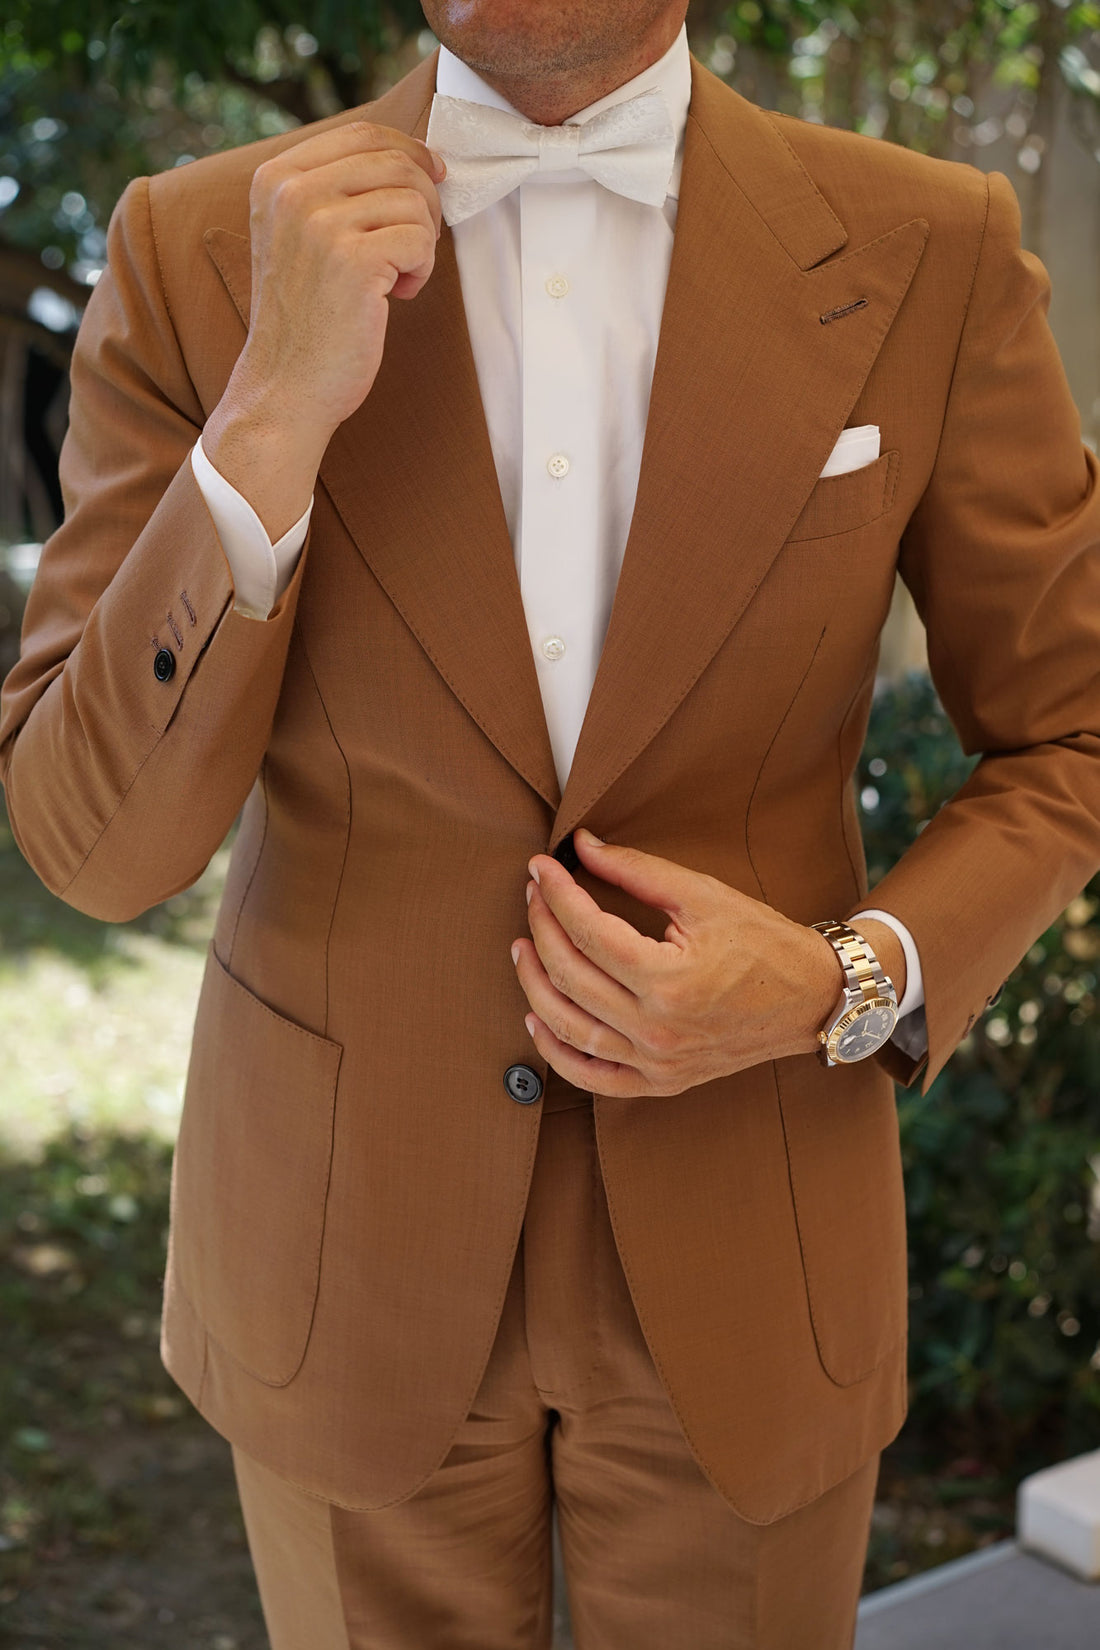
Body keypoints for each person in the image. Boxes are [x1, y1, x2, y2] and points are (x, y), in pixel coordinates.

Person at [2, 1, 1099, 1644]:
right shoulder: (194, 249)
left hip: (754, 1237)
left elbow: (1071, 729)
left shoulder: (929, 247)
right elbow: (92, 845)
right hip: (343, 1257)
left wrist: (841, 978)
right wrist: (271, 409)